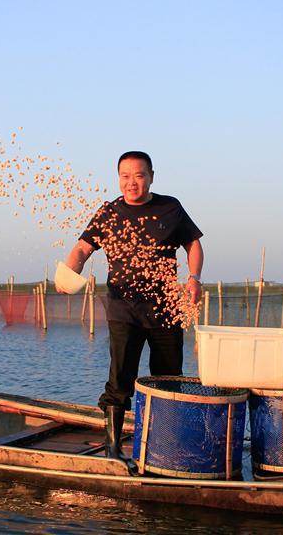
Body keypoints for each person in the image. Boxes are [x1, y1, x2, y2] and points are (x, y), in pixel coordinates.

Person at [59, 151, 204, 460]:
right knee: (121, 378)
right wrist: (69, 272)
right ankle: (113, 449)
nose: (132, 182)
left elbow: (193, 243)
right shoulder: (109, 213)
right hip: (123, 308)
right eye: (125, 176)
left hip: (166, 308)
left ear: (151, 176)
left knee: (168, 377)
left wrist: (194, 277)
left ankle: (165, 447)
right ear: (118, 178)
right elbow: (82, 248)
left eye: (139, 176)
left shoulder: (170, 207)